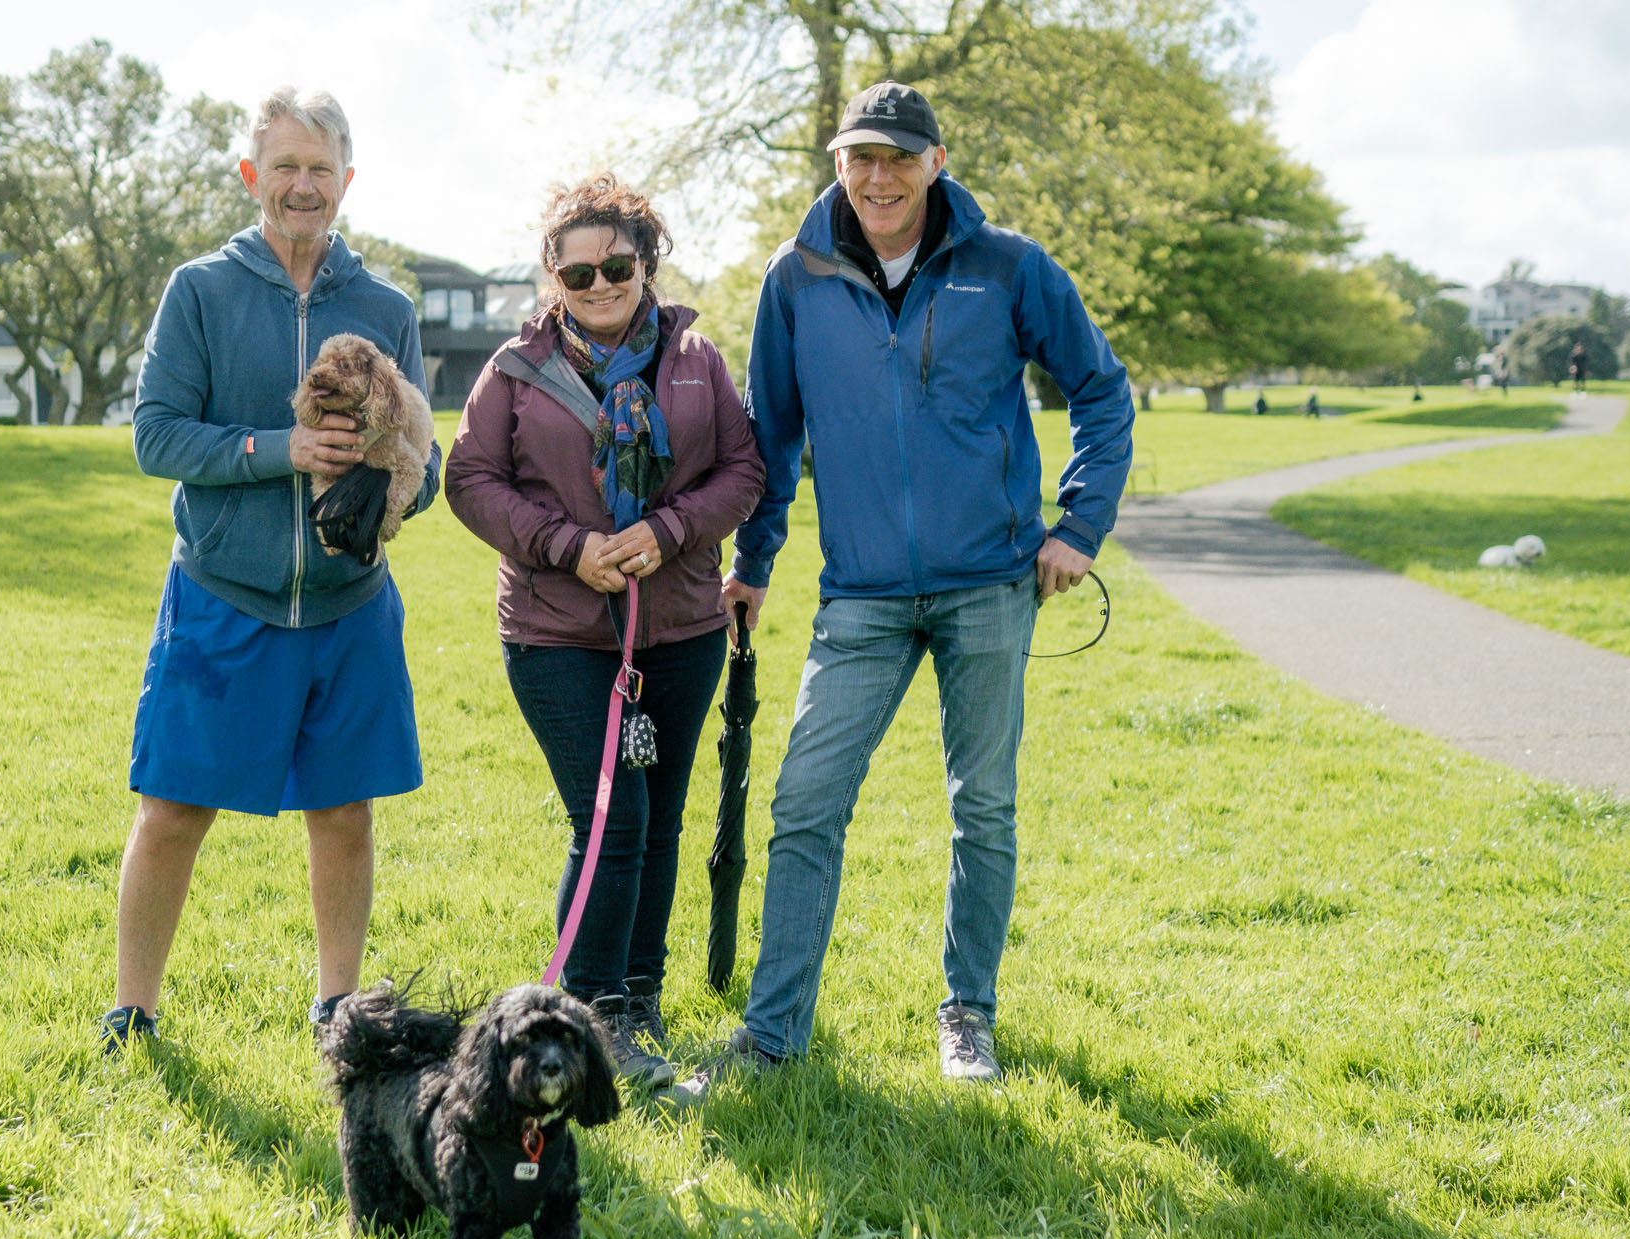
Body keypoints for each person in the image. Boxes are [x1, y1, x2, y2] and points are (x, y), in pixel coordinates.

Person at [678, 81, 1133, 1094]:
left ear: (936, 162)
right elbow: (771, 435)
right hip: (862, 593)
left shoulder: (1008, 266)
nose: (878, 177)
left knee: (984, 806)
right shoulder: (795, 278)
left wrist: (1078, 527)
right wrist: (753, 562)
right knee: (805, 800)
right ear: (838, 165)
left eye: (897, 157)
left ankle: (967, 1013)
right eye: (860, 158)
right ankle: (773, 1033)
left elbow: (1101, 390)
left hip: (991, 583)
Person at [101, 87, 439, 1052]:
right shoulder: (199, 291)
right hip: (222, 594)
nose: (302, 185)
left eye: (320, 169)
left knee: (344, 811)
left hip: (348, 603)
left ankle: (338, 1007)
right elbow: (156, 436)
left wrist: (388, 490)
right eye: (284, 166)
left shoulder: (387, 309)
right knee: (173, 811)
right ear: (253, 175)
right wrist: (276, 450)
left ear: (346, 181)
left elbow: (425, 458)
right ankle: (133, 1010)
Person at [446, 175, 765, 1086]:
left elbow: (743, 470)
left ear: (646, 264)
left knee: (658, 819)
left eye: (616, 266)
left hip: (683, 626)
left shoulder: (696, 359)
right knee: (611, 817)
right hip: (559, 634)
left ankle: (638, 997)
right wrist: (568, 546)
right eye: (577, 272)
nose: (599, 285)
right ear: (553, 276)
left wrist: (669, 531)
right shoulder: (515, 369)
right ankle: (589, 1019)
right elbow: (470, 480)